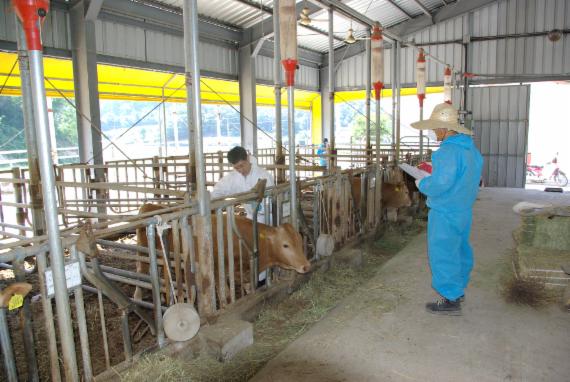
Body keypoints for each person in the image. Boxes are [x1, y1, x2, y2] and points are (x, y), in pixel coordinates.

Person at [411, 103, 483, 316]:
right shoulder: (471, 150)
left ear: (444, 128)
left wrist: (422, 184)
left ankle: (451, 299)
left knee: (443, 253)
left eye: (435, 128)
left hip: (445, 211)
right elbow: (466, 178)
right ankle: (458, 290)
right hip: (463, 210)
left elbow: (441, 184)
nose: (434, 132)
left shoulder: (447, 152)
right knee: (460, 250)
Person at [211, 146, 274, 223]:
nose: (240, 170)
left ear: (247, 158)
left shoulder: (263, 175)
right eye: (236, 168)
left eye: (242, 165)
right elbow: (217, 191)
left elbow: (270, 197)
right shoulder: (232, 178)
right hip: (251, 216)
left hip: (268, 216)